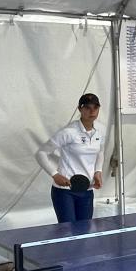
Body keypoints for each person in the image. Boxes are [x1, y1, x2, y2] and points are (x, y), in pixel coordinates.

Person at [35, 93, 107, 223]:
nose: (92, 111)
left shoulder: (101, 131)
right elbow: (41, 153)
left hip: (87, 190)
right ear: (79, 109)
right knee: (67, 233)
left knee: (84, 232)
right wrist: (55, 175)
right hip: (65, 192)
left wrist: (98, 171)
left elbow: (100, 152)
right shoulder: (68, 132)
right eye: (87, 107)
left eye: (95, 107)